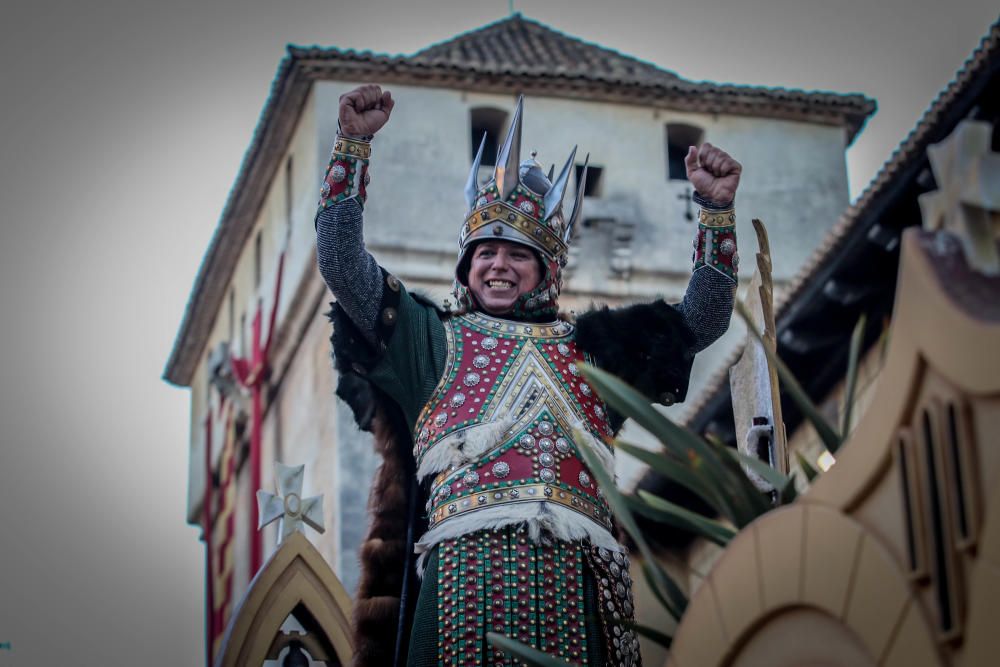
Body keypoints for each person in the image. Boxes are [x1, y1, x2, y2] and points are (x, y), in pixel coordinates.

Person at [316, 84, 741, 667]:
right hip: (463, 574)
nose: (498, 264)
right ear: (467, 268)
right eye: (485, 252)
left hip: (575, 578)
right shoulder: (430, 339)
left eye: (518, 255)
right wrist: (352, 147)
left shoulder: (596, 351)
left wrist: (716, 211)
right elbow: (342, 263)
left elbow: (702, 320)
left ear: (545, 273)